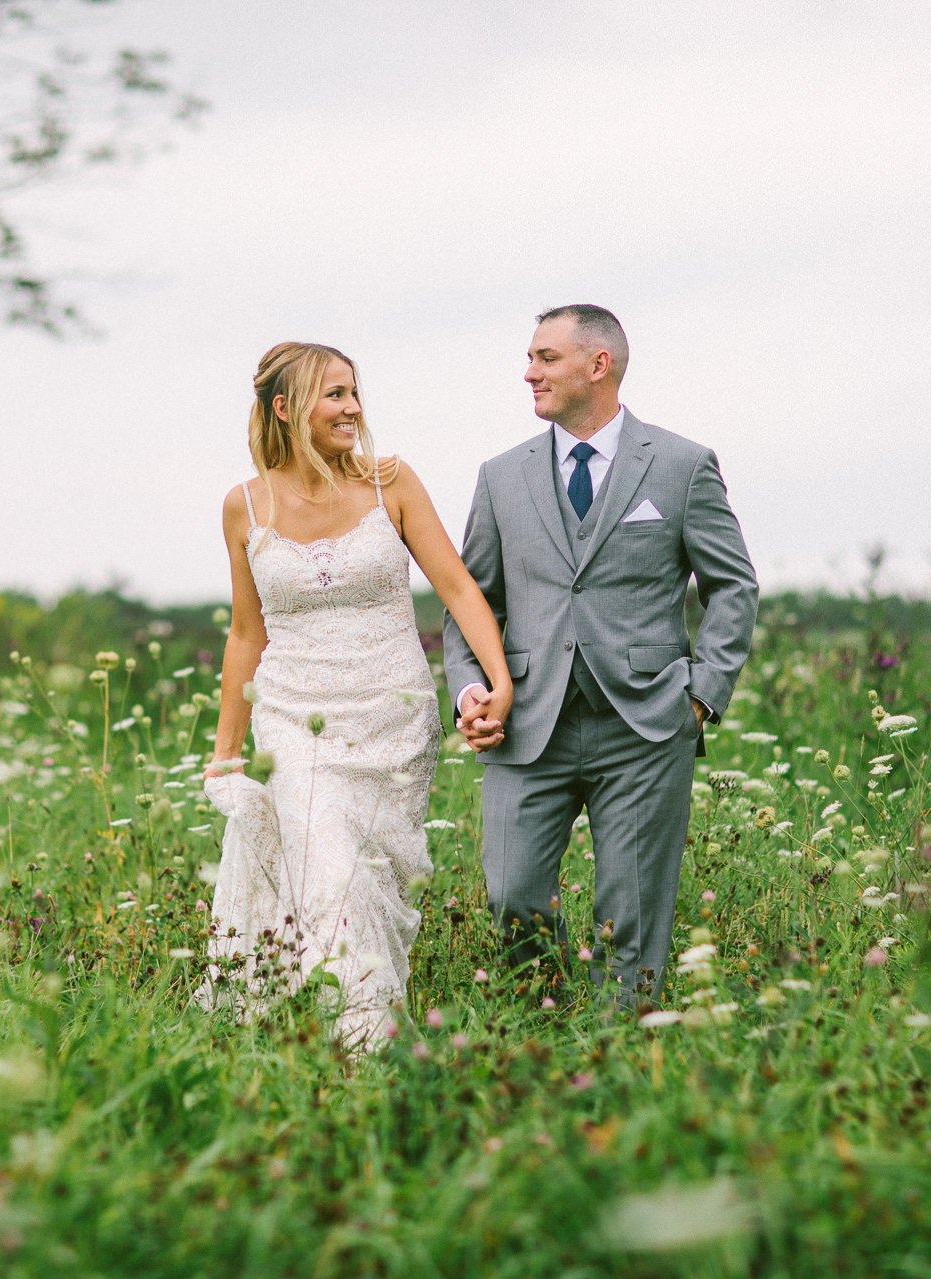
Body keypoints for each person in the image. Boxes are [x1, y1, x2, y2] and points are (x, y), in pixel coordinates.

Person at [200, 341, 513, 1050]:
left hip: (392, 719)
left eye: (353, 392)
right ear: (285, 409)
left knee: (374, 883)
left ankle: (355, 1027)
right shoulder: (243, 506)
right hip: (293, 720)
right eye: (334, 394)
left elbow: (458, 587)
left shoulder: (390, 483)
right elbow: (246, 635)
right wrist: (225, 751)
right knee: (329, 873)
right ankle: (361, 1048)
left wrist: (499, 681)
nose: (352, 407)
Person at [443, 305, 758, 1006]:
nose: (529, 372)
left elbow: (733, 585)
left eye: (545, 357)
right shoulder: (500, 477)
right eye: (529, 357)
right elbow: (470, 602)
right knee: (511, 893)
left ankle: (623, 1053)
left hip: (646, 724)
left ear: (598, 364)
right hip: (526, 725)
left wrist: (702, 693)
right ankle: (543, 1028)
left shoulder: (681, 465)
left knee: (633, 920)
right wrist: (469, 691)